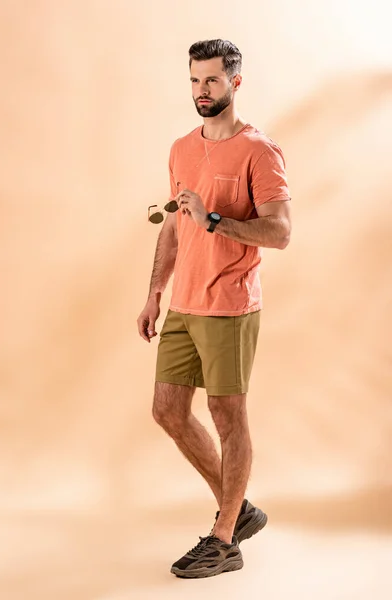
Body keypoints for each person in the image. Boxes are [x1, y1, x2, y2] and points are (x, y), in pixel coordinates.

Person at [137, 38, 292, 579]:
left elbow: (280, 231)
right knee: (167, 410)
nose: (202, 91)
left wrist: (215, 221)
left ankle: (224, 538)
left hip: (230, 304)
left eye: (212, 81)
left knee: (229, 419)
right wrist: (155, 291)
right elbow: (176, 226)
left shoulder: (259, 150)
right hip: (183, 303)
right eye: (195, 81)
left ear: (235, 83)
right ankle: (240, 508)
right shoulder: (181, 147)